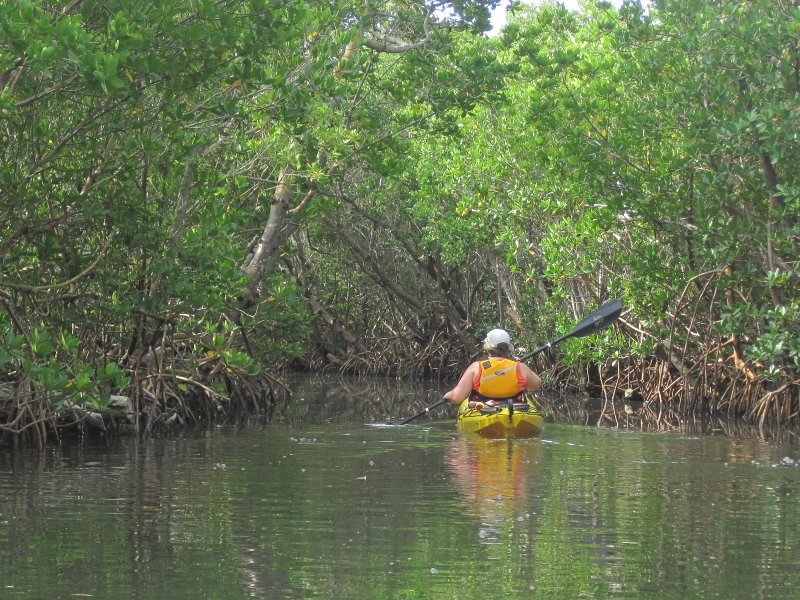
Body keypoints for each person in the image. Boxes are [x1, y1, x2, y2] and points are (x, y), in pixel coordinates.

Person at [443, 328, 542, 408]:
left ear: (488, 346)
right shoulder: (520, 367)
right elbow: (536, 385)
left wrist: (449, 395)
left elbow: (457, 398)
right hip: (514, 409)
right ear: (508, 348)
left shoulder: (476, 367)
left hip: (484, 410)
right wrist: (519, 365)